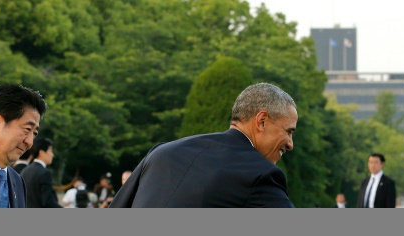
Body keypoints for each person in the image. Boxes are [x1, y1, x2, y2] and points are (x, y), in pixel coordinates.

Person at [110, 82, 296, 208]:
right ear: (262, 121)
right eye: (288, 131)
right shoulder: (261, 174)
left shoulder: (161, 153)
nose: (290, 144)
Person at [20, 137, 62, 208]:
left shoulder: (24, 171)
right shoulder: (44, 173)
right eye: (50, 151)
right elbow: (47, 201)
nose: (52, 155)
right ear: (42, 153)